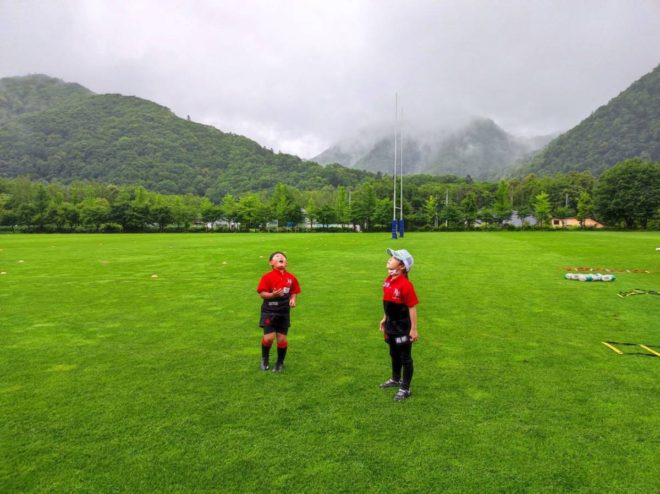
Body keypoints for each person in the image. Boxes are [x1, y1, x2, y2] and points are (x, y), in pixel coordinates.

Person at [379, 248, 419, 401]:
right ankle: (395, 379)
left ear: (402, 266)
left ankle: (405, 388)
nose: (390, 258)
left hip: (402, 329)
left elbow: (412, 307)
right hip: (391, 326)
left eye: (394, 257)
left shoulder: (406, 285)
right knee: (393, 353)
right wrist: (385, 318)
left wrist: (413, 329)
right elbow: (387, 302)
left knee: (404, 357)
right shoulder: (389, 279)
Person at [256, 251, 301, 372]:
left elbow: (294, 291)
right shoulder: (267, 277)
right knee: (269, 338)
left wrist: (292, 300)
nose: (280, 257)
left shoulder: (291, 277)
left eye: (283, 257)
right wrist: (272, 295)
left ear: (286, 263)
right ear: (271, 263)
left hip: (283, 311)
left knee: (282, 339)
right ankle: (264, 358)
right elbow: (262, 293)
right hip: (269, 310)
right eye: (277, 257)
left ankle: (280, 363)